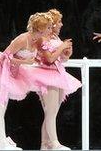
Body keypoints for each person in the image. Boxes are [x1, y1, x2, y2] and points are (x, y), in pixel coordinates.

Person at [0, 12, 53, 150]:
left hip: (15, 74)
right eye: (48, 27)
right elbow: (5, 56)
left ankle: (0, 140)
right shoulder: (23, 39)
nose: (50, 29)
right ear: (40, 28)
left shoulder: (38, 41)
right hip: (2, 71)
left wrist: (34, 60)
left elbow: (41, 56)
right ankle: (2, 144)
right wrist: (24, 61)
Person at [26, 9, 82, 150]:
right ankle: (55, 143)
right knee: (50, 112)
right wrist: (62, 47)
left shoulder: (55, 38)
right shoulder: (42, 38)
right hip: (46, 76)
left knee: (51, 113)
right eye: (59, 22)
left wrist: (66, 54)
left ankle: (46, 145)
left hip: (57, 74)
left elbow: (60, 59)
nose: (61, 24)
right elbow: (49, 59)